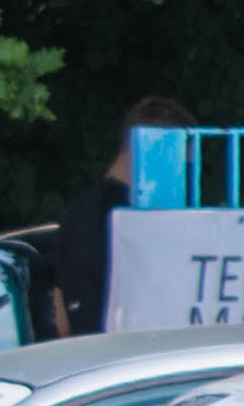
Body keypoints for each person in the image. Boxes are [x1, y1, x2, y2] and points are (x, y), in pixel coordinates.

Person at [44, 93, 186, 338]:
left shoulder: (78, 211)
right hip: (135, 352)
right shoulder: (138, 218)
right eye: (180, 158)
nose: (182, 171)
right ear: (157, 147)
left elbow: (61, 311)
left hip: (90, 355)